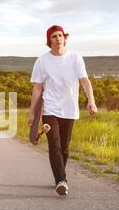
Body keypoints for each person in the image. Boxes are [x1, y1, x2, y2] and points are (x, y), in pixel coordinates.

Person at [28, 25, 98, 196]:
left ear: (65, 38)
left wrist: (91, 101)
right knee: (55, 145)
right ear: (49, 41)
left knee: (64, 148)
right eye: (54, 36)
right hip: (50, 109)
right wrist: (32, 112)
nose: (58, 38)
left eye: (60, 35)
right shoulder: (42, 61)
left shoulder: (75, 58)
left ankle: (59, 177)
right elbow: (37, 88)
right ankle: (61, 180)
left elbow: (85, 81)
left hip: (69, 109)